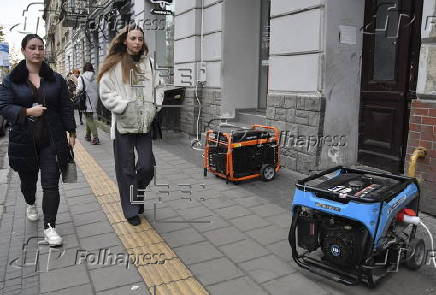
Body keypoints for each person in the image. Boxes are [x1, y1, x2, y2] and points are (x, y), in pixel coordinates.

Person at [0, 34, 76, 246]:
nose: (37, 51)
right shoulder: (11, 81)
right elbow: (4, 107)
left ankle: (50, 227)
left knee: (51, 183)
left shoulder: (56, 79)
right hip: (25, 141)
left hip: (52, 140)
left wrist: (72, 131)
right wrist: (26, 111)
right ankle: (30, 202)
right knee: (28, 183)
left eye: (40, 47)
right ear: (24, 51)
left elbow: (65, 106)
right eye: (32, 47)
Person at [98, 24, 164, 226]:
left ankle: (136, 196)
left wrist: (156, 105)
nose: (137, 42)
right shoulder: (115, 64)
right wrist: (123, 107)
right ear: (125, 40)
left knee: (146, 167)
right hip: (124, 125)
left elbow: (159, 87)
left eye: (140, 38)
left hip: (144, 124)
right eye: (133, 38)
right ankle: (131, 209)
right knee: (126, 169)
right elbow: (105, 92)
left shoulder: (150, 63)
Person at [76, 62, 100, 144]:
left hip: (86, 100)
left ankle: (96, 137)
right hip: (94, 99)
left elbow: (80, 88)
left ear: (84, 69)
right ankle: (87, 135)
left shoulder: (81, 77)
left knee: (89, 118)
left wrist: (76, 91)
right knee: (88, 117)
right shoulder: (95, 77)